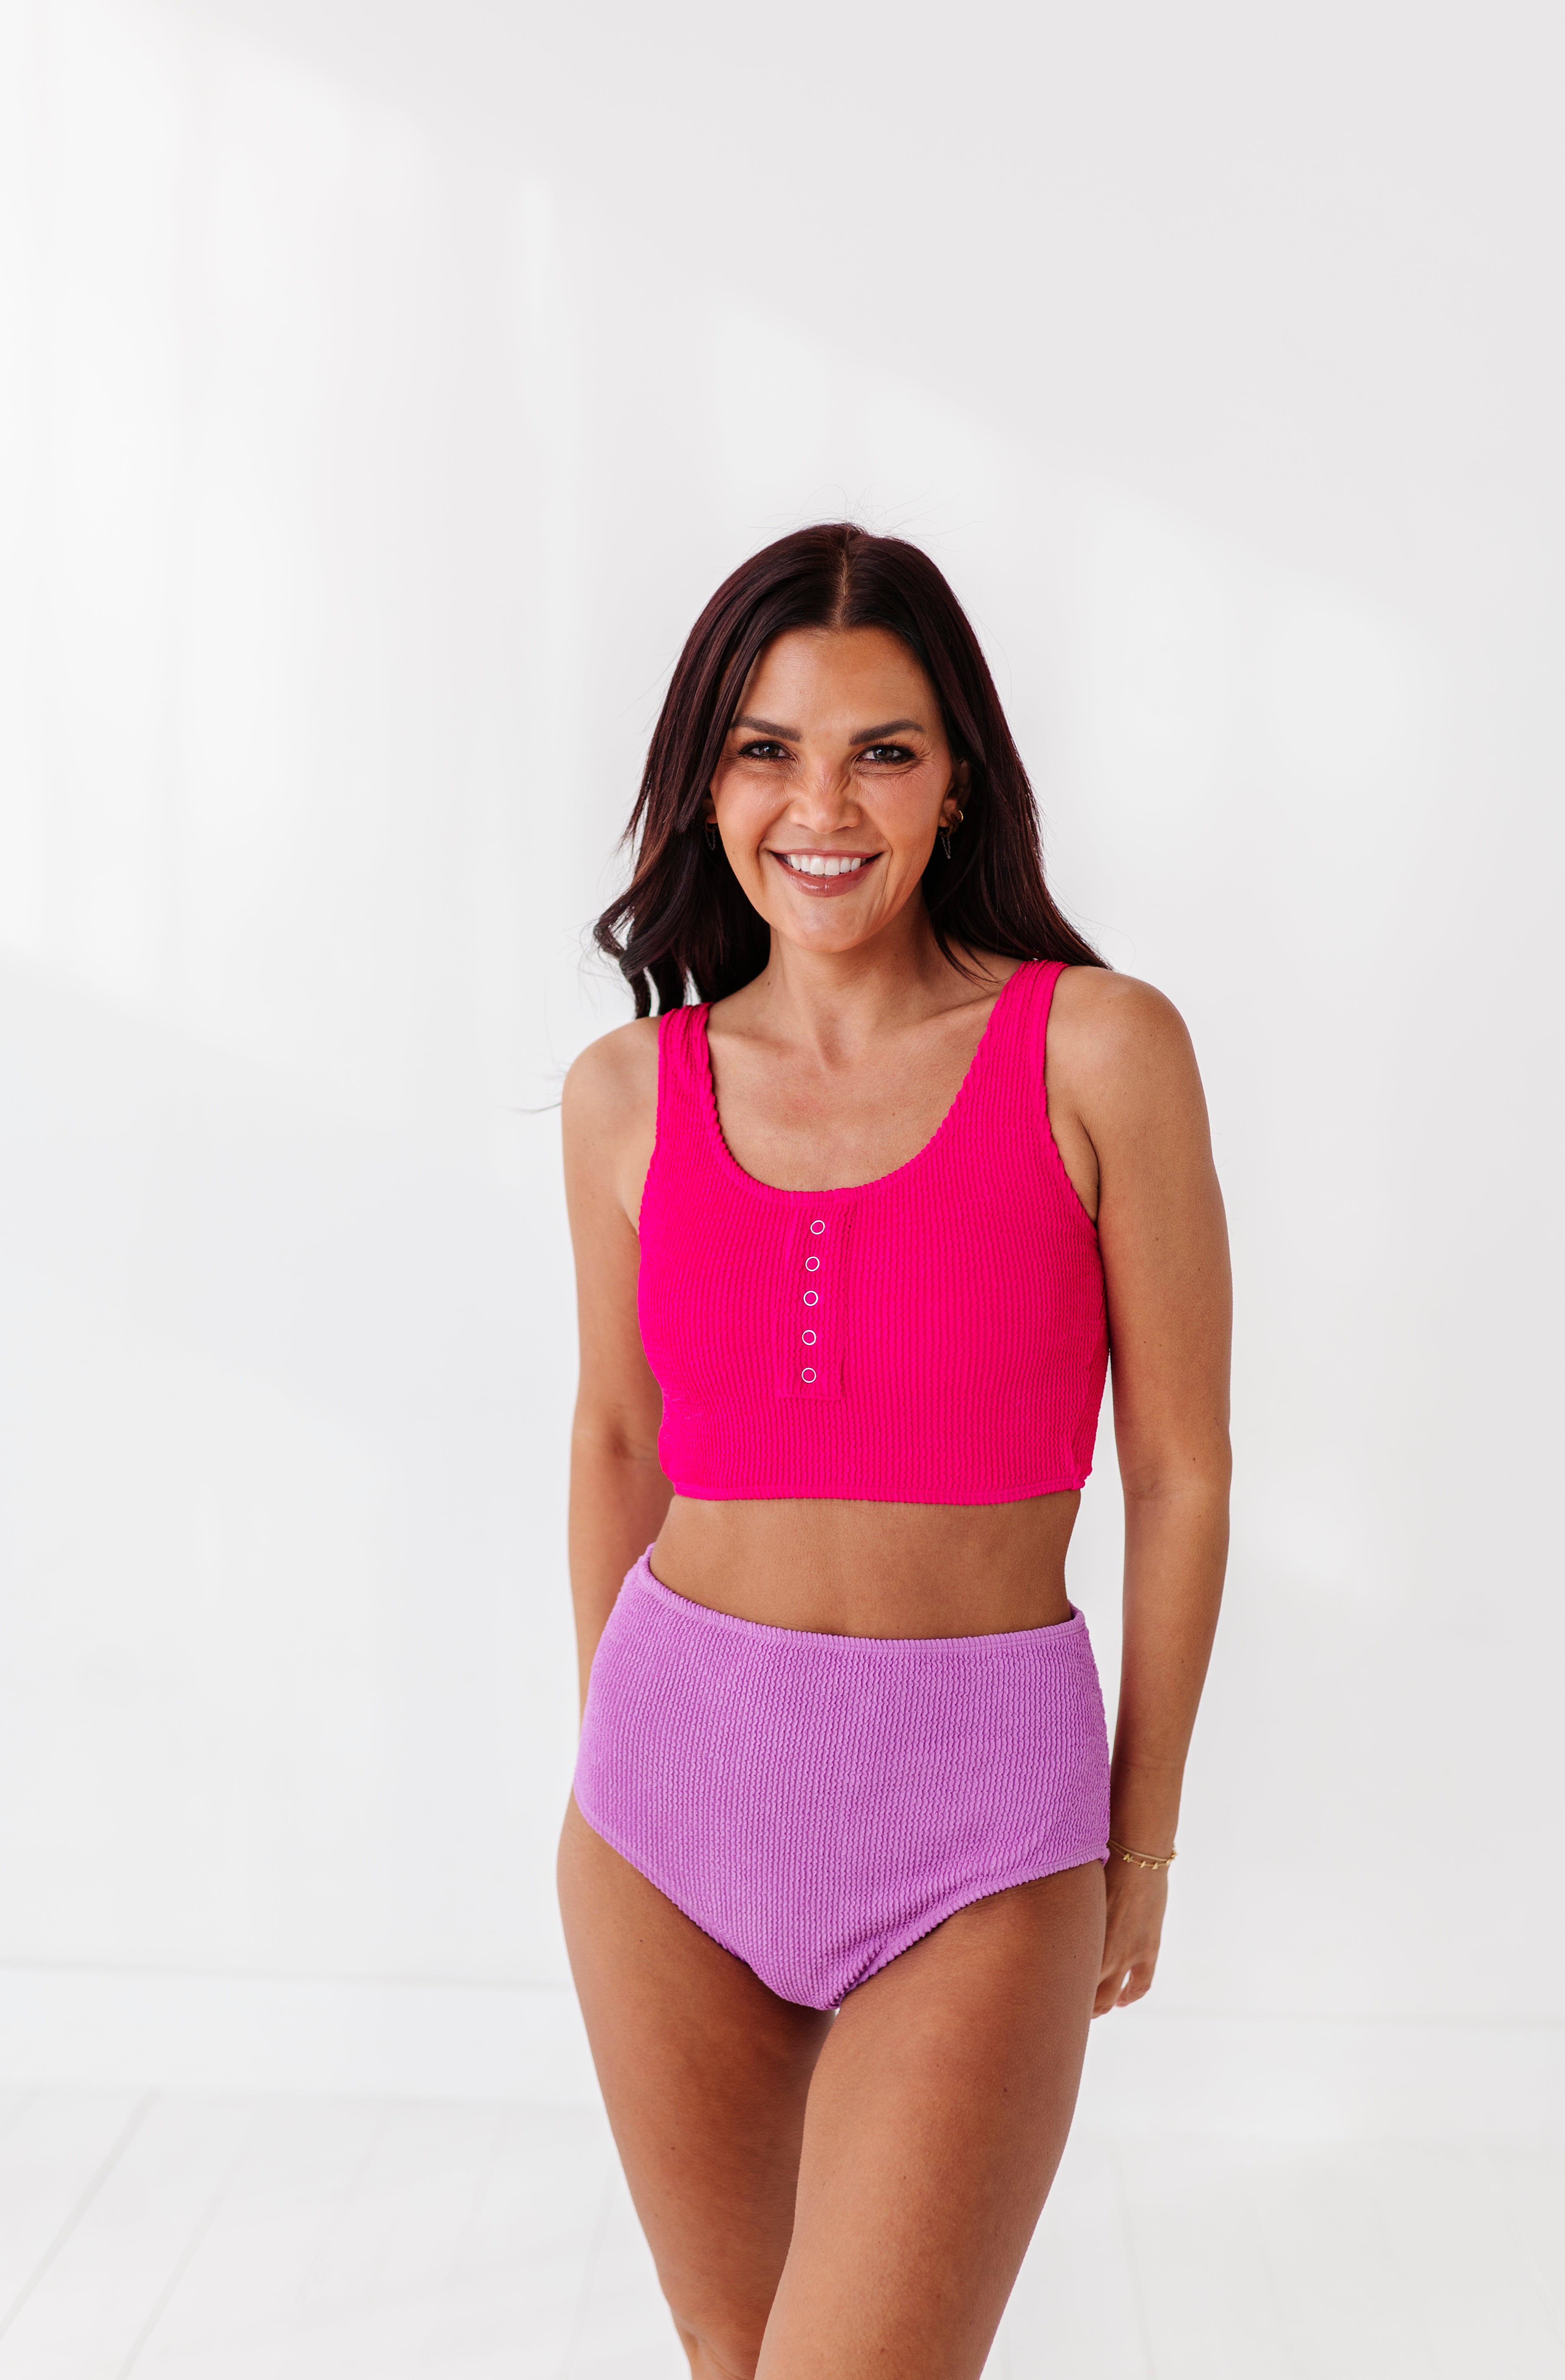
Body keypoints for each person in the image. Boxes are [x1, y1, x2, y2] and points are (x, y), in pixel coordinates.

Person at [557, 523, 1230, 2380]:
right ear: (707, 785)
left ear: (958, 783)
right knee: (733, 2356)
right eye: (766, 750)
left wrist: (1140, 1837)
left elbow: (1180, 1471)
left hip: (982, 1830)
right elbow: (615, 1439)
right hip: (667, 1814)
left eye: (882, 751)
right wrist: (618, 1753)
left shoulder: (1100, 1052)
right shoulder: (626, 1096)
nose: (821, 806)